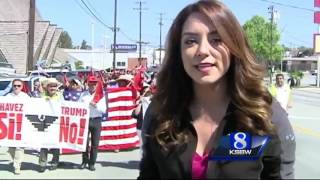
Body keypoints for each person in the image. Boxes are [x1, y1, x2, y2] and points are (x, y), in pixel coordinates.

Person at [138, 1, 289, 179]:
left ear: (234, 47)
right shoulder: (161, 113)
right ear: (179, 52)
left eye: (216, 39)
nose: (202, 50)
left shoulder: (258, 114)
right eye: (191, 41)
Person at [79, 76, 106, 171]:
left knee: (95, 144)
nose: (92, 85)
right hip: (85, 120)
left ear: (97, 85)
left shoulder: (101, 96)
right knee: (84, 143)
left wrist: (96, 106)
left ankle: (92, 163)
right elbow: (78, 107)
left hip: (96, 120)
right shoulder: (83, 95)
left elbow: (104, 110)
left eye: (94, 83)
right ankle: (84, 161)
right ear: (88, 84)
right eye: (91, 83)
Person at [38, 78, 63, 173]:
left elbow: (65, 107)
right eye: (50, 86)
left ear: (57, 87)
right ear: (47, 87)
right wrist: (42, 98)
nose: (52, 88)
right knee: (43, 144)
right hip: (45, 122)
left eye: (54, 86)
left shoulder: (60, 96)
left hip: (57, 123)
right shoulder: (42, 95)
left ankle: (54, 162)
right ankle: (42, 163)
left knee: (56, 144)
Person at [6, 79, 30, 175]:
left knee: (20, 147)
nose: (16, 87)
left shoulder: (26, 97)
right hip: (10, 126)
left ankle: (17, 166)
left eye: (19, 85)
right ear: (12, 86)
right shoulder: (7, 97)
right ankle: (17, 161)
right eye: (15, 85)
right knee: (11, 147)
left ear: (22, 86)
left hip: (21, 125)